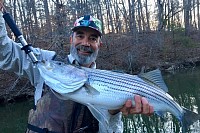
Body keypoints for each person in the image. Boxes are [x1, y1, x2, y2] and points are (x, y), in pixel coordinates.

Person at [0, 1, 153, 133]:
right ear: (71, 39)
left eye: (92, 38)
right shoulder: (47, 63)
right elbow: (5, 52)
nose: (85, 43)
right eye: (80, 36)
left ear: (99, 44)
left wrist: (112, 114)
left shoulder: (112, 84)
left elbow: (112, 130)